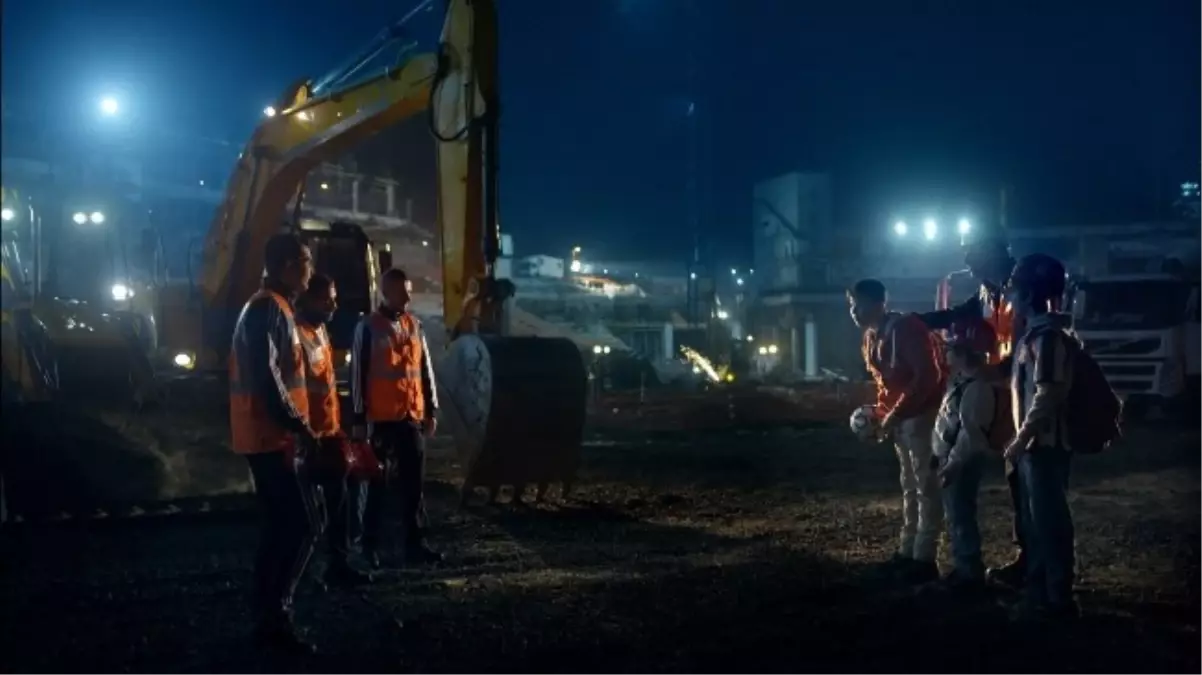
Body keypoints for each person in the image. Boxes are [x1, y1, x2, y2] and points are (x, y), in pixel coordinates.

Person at [916, 234, 1028, 589]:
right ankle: (1029, 560)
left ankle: (1034, 563)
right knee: (1017, 483)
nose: (975, 272)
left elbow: (1030, 339)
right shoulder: (987, 293)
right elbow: (957, 314)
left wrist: (1000, 370)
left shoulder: (1024, 291)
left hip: (1020, 392)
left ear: (996, 258)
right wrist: (915, 322)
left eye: (978, 264)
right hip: (998, 390)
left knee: (1027, 487)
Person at [228, 233, 321, 652]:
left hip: (271, 435)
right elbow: (269, 379)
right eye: (305, 260)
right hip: (271, 437)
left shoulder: (274, 308)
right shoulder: (268, 308)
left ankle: (269, 615)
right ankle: (274, 617)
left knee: (284, 527)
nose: (310, 269)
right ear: (286, 265)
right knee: (299, 526)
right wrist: (299, 426)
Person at [849, 278, 946, 583]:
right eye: (851, 304)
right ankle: (909, 551)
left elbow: (928, 376)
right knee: (910, 486)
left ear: (878, 303)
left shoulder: (905, 329)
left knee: (926, 487)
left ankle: (925, 557)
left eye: (858, 303)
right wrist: (882, 414)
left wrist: (894, 413)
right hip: (902, 417)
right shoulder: (871, 336)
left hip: (921, 416)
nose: (853, 310)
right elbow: (886, 386)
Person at [1002, 252, 1080, 620]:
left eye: (1015, 288)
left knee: (1048, 524)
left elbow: (1048, 395)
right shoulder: (1036, 335)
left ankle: (1057, 599)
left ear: (1031, 294)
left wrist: (1021, 439)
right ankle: (1040, 594)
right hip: (1035, 446)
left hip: (1043, 447)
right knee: (1036, 524)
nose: (1010, 296)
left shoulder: (1046, 338)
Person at [351, 267, 442, 568]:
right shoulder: (368, 327)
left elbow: (424, 370)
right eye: (402, 290)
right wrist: (359, 417)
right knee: (377, 486)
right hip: (381, 419)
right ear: (386, 292)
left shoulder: (415, 326)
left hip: (410, 417)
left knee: (413, 487)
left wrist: (431, 410)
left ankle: (414, 546)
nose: (407, 295)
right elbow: (358, 375)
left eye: (408, 289)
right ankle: (369, 547)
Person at [294, 273, 374, 588]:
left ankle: (337, 564)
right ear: (308, 299)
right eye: (326, 298)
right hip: (306, 437)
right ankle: (308, 573)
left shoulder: (320, 331)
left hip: (327, 433)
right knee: (312, 515)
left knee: (340, 499)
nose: (334, 304)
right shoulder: (295, 335)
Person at [930, 319, 1007, 593]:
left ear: (964, 352)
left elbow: (969, 434)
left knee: (960, 514)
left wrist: (951, 464)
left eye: (951, 347)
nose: (946, 352)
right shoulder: (962, 382)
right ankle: (964, 567)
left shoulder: (977, 388)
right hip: (952, 459)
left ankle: (969, 571)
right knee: (955, 514)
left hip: (961, 462)